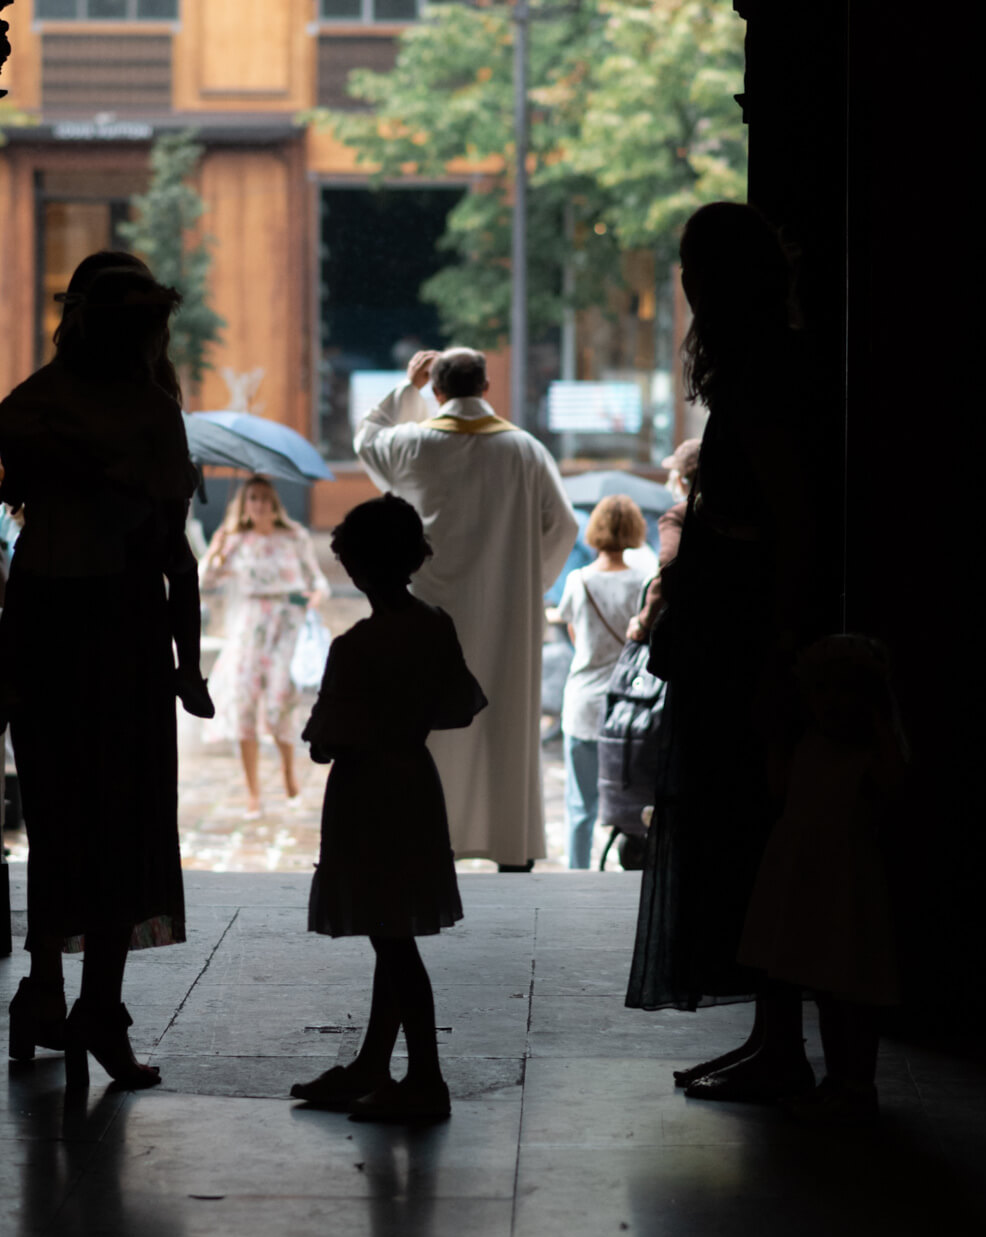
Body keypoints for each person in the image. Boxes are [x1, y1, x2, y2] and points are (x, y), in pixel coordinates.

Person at [0, 265, 211, 1090]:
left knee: (60, 823)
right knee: (121, 821)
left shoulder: (28, 408)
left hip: (51, 623)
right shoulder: (153, 414)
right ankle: (96, 1005)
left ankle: (49, 992)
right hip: (119, 629)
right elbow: (172, 556)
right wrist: (188, 662)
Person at [626, 202, 821, 1101]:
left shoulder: (758, 378)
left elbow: (786, 518)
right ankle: (771, 1035)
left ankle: (778, 1042)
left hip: (744, 637)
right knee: (743, 830)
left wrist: (780, 644)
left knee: (744, 828)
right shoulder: (766, 368)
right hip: (734, 630)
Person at [289, 495, 486, 1122]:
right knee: (392, 929)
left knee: (393, 941)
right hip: (414, 782)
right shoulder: (436, 623)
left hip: (367, 794)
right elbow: (458, 706)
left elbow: (324, 743)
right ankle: (376, 1063)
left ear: (357, 566)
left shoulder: (356, 646)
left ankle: (425, 1077)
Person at [354, 347, 577, 871]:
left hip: (429, 613)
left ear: (436, 390)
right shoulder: (524, 450)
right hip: (506, 616)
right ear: (487, 386)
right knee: (502, 725)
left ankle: (426, 842)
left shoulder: (412, 444)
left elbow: (367, 438)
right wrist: (529, 582)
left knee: (430, 728)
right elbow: (564, 525)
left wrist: (405, 388)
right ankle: (509, 848)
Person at [738, 635, 905, 1125]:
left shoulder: (868, 754)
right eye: (822, 694)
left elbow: (895, 785)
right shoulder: (811, 743)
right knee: (827, 989)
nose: (833, 705)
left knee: (853, 989)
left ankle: (858, 1085)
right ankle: (838, 1081)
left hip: (846, 884)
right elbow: (781, 789)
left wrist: (880, 731)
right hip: (808, 877)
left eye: (846, 694)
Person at [200, 475, 329, 812]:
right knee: (243, 702)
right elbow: (205, 581)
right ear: (244, 504)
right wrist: (214, 552)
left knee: (278, 703)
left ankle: (289, 775)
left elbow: (318, 581)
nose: (257, 504)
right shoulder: (234, 540)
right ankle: (252, 791)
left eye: (263, 497)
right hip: (249, 626)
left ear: (273, 503)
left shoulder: (294, 537)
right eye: (251, 498)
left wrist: (313, 598)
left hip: (286, 624)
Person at [556, 495, 650, 868]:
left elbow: (576, 636)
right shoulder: (644, 582)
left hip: (583, 702)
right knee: (633, 802)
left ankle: (576, 875)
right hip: (629, 706)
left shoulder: (578, 582)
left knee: (580, 806)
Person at [627, 438, 700, 646]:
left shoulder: (678, 517)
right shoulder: (732, 513)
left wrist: (643, 622)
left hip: (690, 632)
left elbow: (669, 566)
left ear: (680, 480)